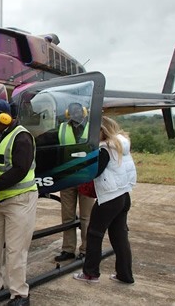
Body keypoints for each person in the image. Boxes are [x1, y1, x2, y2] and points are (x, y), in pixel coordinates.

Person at [0, 99, 38, 306]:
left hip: (20, 200)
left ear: (4, 118)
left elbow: (19, 171)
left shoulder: (21, 138)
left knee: (15, 250)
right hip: (0, 200)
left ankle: (20, 294)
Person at [73, 116, 136, 284]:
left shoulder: (105, 149)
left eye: (96, 131)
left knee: (94, 234)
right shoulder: (120, 145)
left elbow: (95, 172)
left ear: (103, 131)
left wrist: (80, 165)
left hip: (109, 197)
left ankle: (90, 273)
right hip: (124, 195)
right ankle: (125, 275)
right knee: (119, 236)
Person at [54, 102, 95, 262]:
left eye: (78, 111)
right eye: (72, 112)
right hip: (68, 178)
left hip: (86, 178)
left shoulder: (93, 127)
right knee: (67, 217)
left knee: (86, 217)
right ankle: (68, 250)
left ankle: (86, 249)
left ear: (84, 112)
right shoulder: (62, 128)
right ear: (67, 114)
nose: (76, 114)